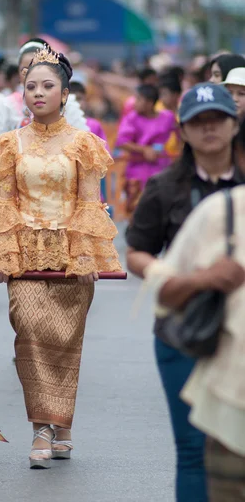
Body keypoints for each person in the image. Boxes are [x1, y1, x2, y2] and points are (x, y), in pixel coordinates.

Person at [0, 45, 121, 469]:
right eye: (30, 86)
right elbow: (2, 202)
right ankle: (40, 427)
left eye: (47, 86)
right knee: (28, 335)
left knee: (64, 341)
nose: (38, 93)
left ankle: (62, 424)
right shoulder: (9, 144)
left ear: (64, 93)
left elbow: (88, 204)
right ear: (21, 92)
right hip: (24, 256)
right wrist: (1, 255)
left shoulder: (84, 144)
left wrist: (84, 257)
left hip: (69, 257)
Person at [126, 83, 243, 502]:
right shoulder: (165, 187)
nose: (209, 128)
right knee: (193, 448)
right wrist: (182, 279)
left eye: (218, 119)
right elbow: (136, 252)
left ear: (234, 124)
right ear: (184, 131)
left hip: (240, 334)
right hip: (184, 331)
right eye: (198, 121)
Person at [147, 186, 245, 501]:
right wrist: (203, 279)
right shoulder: (222, 210)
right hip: (228, 386)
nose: (209, 132)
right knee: (193, 451)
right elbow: (165, 293)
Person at [0, 38, 88, 138]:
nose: (31, 73)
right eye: (25, 69)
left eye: (35, 67)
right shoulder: (6, 105)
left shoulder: (67, 103)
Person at [115, 84, 177, 215]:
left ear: (150, 103)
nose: (135, 103)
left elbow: (181, 132)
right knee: (136, 207)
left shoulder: (167, 117)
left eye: (138, 99)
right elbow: (121, 141)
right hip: (136, 169)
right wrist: (145, 150)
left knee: (162, 204)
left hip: (160, 166)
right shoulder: (132, 118)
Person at [70, 81, 109, 146]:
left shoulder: (94, 125)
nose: (75, 103)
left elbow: (104, 151)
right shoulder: (57, 124)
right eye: (71, 99)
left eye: (79, 99)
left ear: (86, 101)